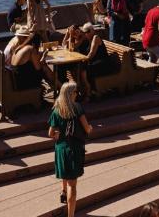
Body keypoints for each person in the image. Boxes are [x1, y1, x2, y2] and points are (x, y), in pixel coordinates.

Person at [48, 81, 92, 217]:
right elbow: (87, 129)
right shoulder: (77, 108)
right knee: (73, 185)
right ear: (70, 94)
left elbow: (50, 133)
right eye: (75, 92)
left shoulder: (56, 110)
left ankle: (63, 191)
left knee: (65, 174)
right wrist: (90, 128)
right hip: (74, 149)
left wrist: (59, 136)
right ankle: (71, 215)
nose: (77, 94)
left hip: (61, 148)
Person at [66, 23, 116, 96]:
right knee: (75, 66)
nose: (87, 33)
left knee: (83, 68)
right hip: (96, 63)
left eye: (88, 31)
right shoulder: (88, 39)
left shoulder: (96, 38)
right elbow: (71, 48)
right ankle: (80, 90)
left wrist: (82, 60)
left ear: (93, 30)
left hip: (104, 64)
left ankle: (88, 89)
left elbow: (91, 55)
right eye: (85, 32)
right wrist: (71, 35)